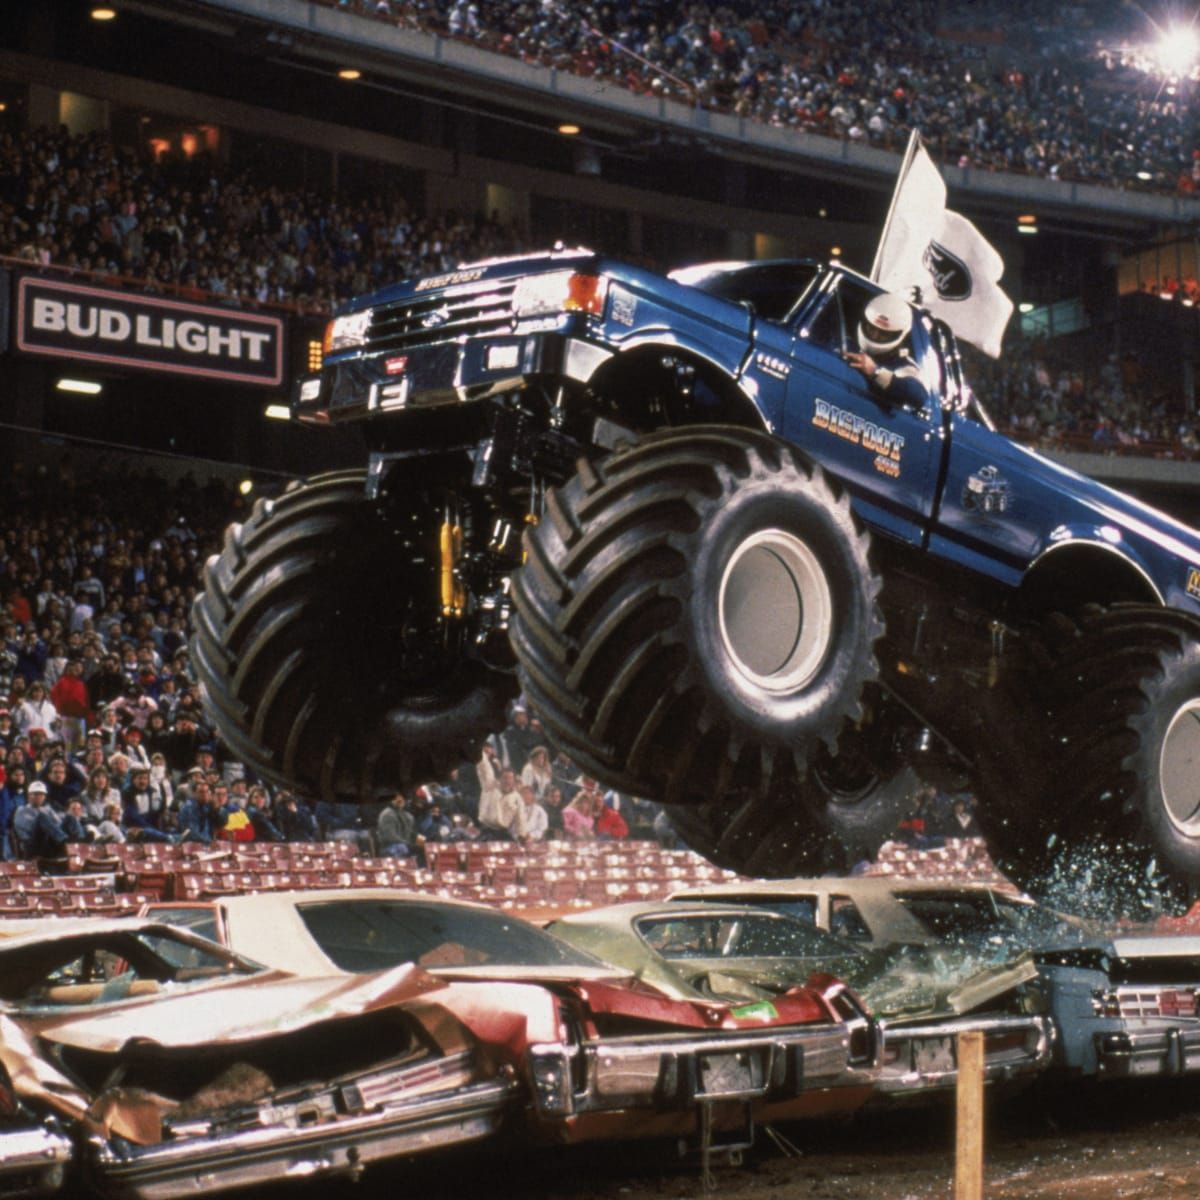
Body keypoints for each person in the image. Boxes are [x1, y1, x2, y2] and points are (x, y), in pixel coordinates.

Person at [843, 293, 928, 410]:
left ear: (899, 335)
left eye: (884, 334)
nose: (875, 336)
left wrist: (876, 372)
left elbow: (919, 395)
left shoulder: (903, 365)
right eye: (871, 328)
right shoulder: (845, 343)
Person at [377, 791, 416, 857]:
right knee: (402, 848)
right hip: (389, 846)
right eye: (397, 799)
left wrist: (418, 840)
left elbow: (411, 833)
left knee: (424, 848)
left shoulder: (408, 815)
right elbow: (390, 836)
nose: (400, 800)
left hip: (403, 844)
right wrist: (407, 844)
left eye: (402, 799)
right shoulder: (388, 814)